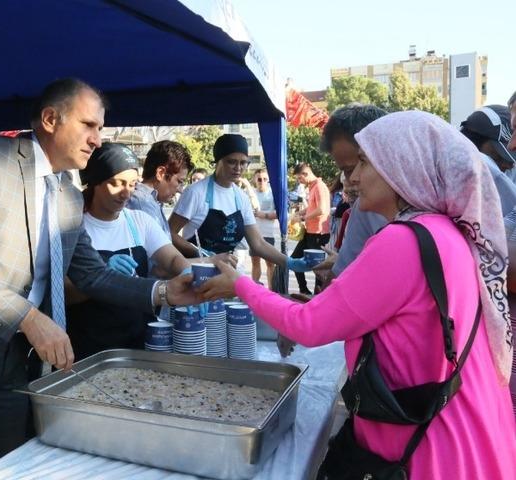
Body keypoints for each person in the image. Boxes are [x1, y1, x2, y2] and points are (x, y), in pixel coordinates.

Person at [0, 78, 196, 479]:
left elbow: (91, 274)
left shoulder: (69, 195)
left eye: (100, 129)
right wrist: (30, 317)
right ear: (51, 119)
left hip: (15, 362)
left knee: (5, 470)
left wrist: (163, 291)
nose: (97, 139)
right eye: (89, 125)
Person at [198, 111, 516, 478]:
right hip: (465, 426)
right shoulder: (443, 230)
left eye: (365, 162)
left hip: (427, 448)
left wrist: (238, 284)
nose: (353, 179)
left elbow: (309, 326)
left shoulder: (402, 241)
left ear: (403, 166)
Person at [66, 143, 219, 358]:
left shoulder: (138, 221)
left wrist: (186, 273)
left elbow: (173, 259)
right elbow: (65, 293)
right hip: (88, 347)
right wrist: (98, 276)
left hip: (137, 342)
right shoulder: (72, 225)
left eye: (132, 184)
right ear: (95, 182)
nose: (125, 193)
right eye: (116, 184)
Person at [168, 134, 310, 272]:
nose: (238, 168)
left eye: (243, 162)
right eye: (232, 161)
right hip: (197, 270)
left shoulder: (241, 197)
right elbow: (169, 233)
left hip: (225, 272)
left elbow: (258, 244)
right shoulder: (196, 192)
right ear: (218, 161)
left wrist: (289, 262)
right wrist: (202, 254)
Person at [316, 105, 389, 281]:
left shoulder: (429, 220)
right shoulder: (363, 209)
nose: (352, 179)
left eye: (363, 162)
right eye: (346, 171)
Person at [126, 140, 191, 238]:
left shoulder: (151, 201)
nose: (180, 190)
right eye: (179, 181)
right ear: (161, 173)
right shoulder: (141, 204)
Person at [289, 163, 330, 295]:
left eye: (300, 178)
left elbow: (322, 209)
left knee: (318, 267)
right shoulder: (312, 187)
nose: (299, 182)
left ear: (305, 174)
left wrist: (302, 218)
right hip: (310, 232)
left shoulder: (319, 186)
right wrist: (301, 213)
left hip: (318, 233)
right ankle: (304, 290)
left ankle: (318, 295)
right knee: (295, 259)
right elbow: (313, 207)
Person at [250, 168, 277, 287]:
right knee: (255, 263)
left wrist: (264, 215)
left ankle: (271, 290)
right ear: (255, 180)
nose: (262, 181)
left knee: (270, 264)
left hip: (268, 234)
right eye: (259, 179)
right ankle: (255, 290)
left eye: (265, 179)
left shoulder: (273, 194)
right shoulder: (250, 193)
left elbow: (279, 214)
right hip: (254, 233)